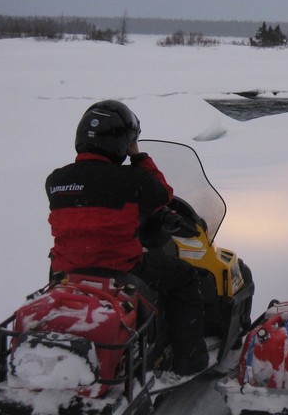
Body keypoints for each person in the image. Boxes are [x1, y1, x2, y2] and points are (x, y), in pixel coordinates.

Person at [46, 100, 208, 376]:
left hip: (66, 270)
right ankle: (188, 361)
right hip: (121, 268)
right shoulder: (132, 180)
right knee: (186, 278)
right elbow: (163, 194)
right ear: (122, 142)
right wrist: (139, 156)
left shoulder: (55, 180)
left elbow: (88, 209)